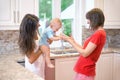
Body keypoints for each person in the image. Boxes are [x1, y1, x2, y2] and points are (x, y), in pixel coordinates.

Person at [61, 8, 106, 80]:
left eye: (89, 20)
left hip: (86, 69)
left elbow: (85, 53)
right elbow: (84, 49)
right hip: (84, 70)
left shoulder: (99, 34)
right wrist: (73, 41)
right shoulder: (99, 33)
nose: (88, 23)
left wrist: (71, 42)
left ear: (94, 20)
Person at [18, 14, 45, 79]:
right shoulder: (26, 39)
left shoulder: (35, 32)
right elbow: (31, 60)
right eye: (37, 24)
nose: (39, 25)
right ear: (30, 27)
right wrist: (42, 49)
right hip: (33, 71)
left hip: (40, 68)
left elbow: (39, 45)